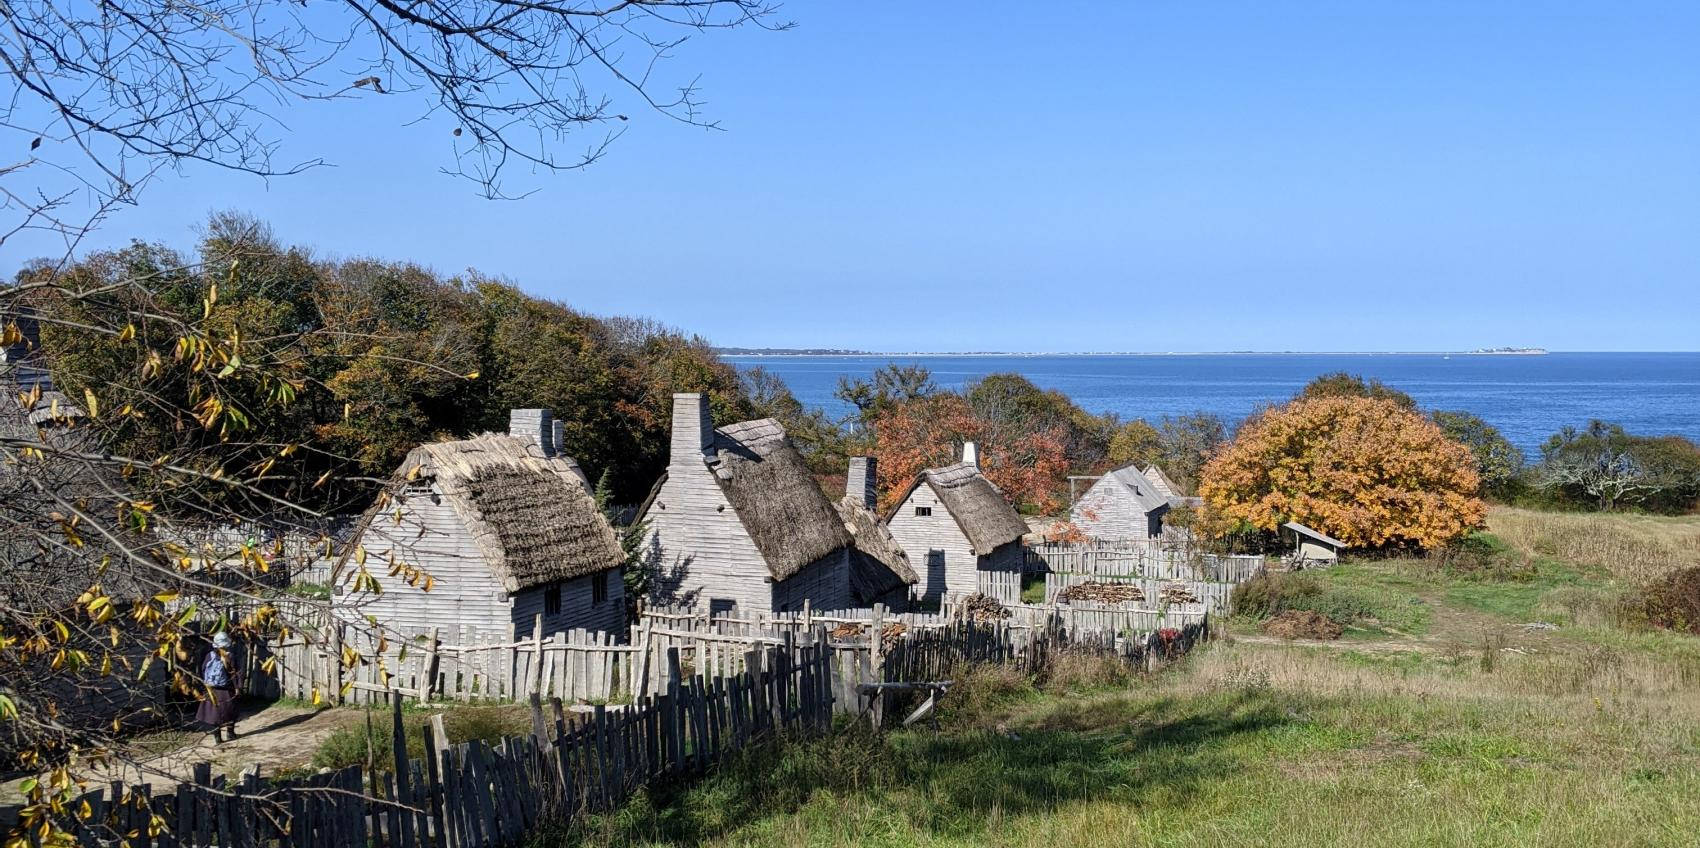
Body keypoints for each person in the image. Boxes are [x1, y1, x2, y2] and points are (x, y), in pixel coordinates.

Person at [196, 631, 241, 743]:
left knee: (213, 714)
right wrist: (237, 687)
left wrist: (206, 684)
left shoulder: (209, 655)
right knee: (230, 711)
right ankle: (230, 734)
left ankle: (217, 738)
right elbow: (234, 673)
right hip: (226, 690)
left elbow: (202, 670)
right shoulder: (229, 656)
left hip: (211, 690)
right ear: (226, 644)